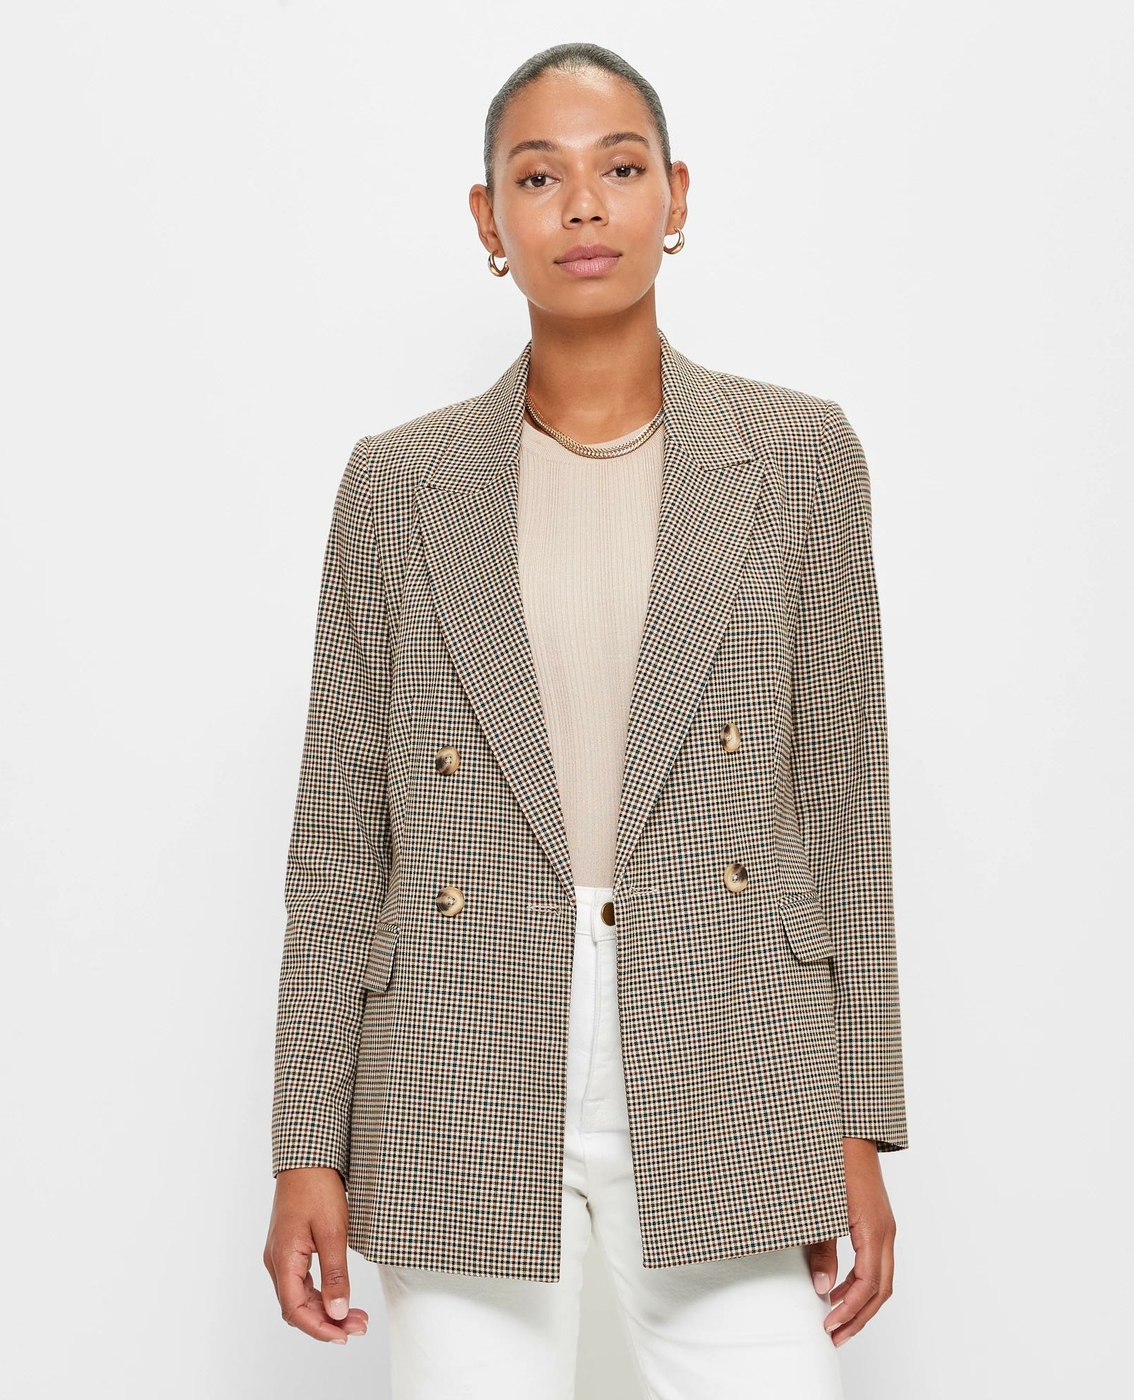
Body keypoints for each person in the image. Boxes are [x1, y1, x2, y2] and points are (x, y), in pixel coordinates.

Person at [264, 41, 909, 1399]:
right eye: (536, 176)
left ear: (675, 196)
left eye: (618, 168)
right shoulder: (398, 484)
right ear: (487, 218)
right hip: (458, 1050)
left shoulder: (797, 458)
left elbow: (845, 810)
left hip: (731, 1039)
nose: (582, 204)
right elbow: (338, 842)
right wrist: (304, 1147)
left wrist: (855, 1122)